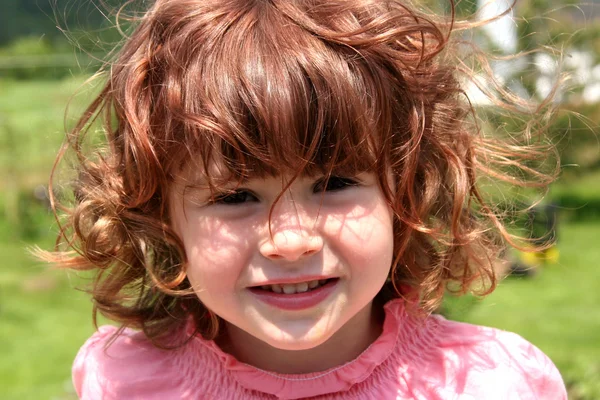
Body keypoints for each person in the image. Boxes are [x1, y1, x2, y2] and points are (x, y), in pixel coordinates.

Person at [42, 0, 568, 398]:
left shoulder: (491, 381)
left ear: (406, 189)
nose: (289, 241)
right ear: (161, 217)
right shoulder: (124, 379)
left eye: (335, 184)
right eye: (235, 195)